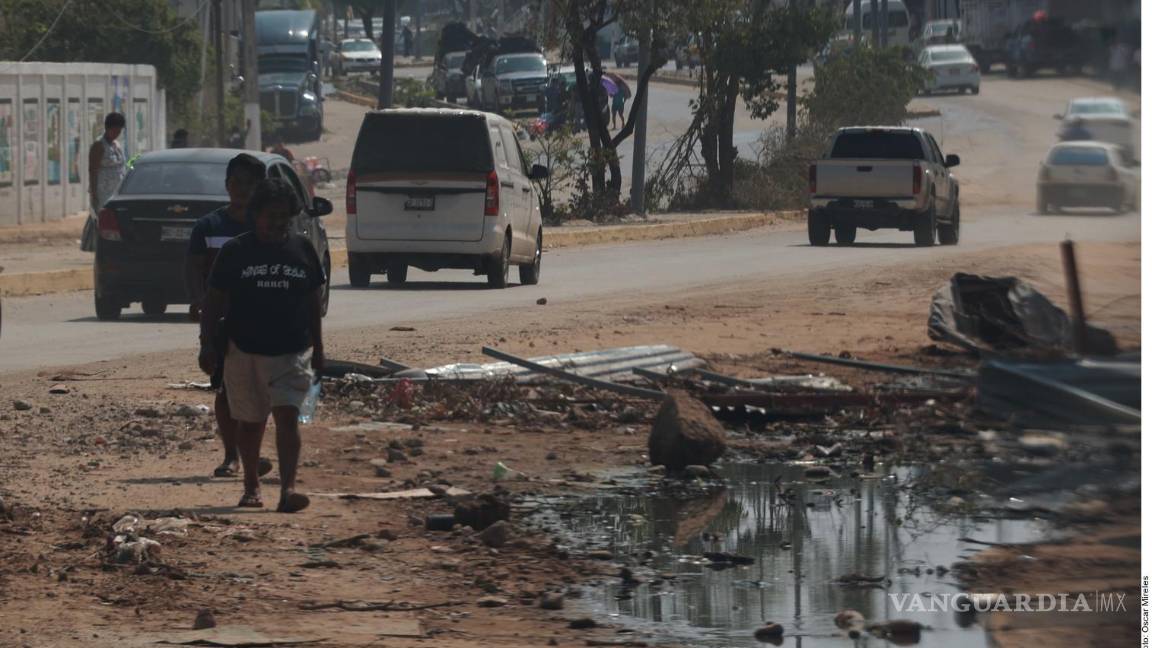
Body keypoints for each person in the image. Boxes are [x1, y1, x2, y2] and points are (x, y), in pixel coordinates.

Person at [199, 178, 326, 513]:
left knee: (288, 416)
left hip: (291, 351)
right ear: (256, 215)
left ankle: (287, 490)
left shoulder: (302, 250)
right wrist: (207, 345)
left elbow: (314, 302)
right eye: (271, 216)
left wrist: (320, 349)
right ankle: (252, 486)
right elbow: (212, 302)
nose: (277, 223)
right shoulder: (236, 251)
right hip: (244, 350)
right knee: (252, 423)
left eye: (283, 216)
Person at [186, 153, 276, 480]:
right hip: (222, 322)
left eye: (250, 185)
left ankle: (250, 452)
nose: (242, 190)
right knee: (225, 390)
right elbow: (194, 270)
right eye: (236, 183)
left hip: (263, 321)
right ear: (227, 185)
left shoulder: (268, 229)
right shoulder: (208, 227)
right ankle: (232, 456)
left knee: (261, 391)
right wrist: (198, 303)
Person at [82, 112, 127, 252]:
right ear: (108, 128)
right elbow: (93, 170)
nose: (117, 133)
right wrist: (94, 194)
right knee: (103, 220)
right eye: (115, 130)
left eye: (120, 131)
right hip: (103, 192)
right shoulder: (98, 146)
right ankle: (102, 247)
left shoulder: (116, 145)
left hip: (117, 190)